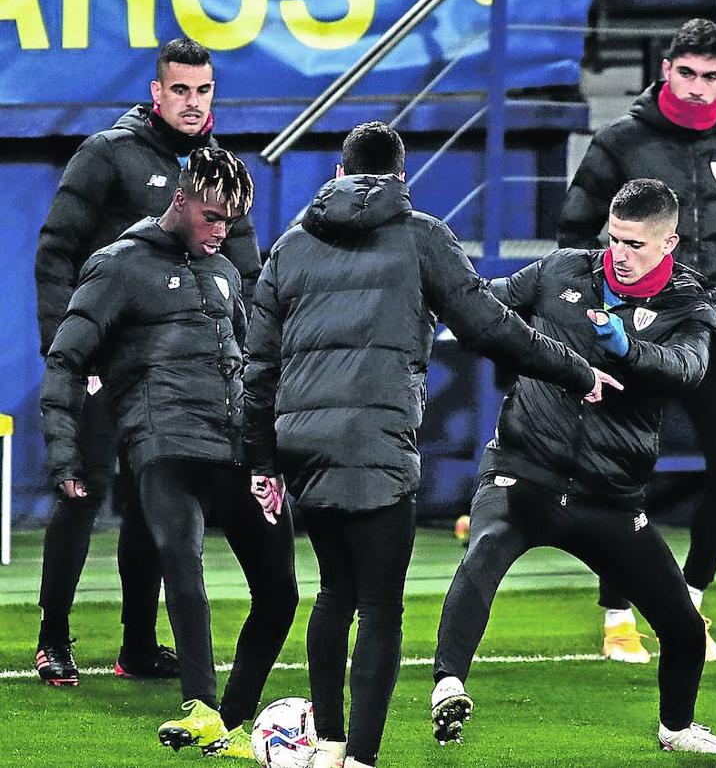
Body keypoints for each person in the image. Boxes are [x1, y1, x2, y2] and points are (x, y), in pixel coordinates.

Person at [244, 122, 614, 768]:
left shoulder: (290, 247)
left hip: (302, 444)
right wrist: (577, 370)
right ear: (400, 178)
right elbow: (491, 328)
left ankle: (327, 744)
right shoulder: (422, 237)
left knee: (334, 592)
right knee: (380, 605)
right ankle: (360, 757)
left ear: (339, 175)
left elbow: (259, 367)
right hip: (379, 440)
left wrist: (261, 460)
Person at [431, 178, 716, 755]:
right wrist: (431, 294)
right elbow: (485, 300)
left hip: (610, 493)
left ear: (668, 243)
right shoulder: (561, 271)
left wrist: (629, 349)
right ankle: (448, 684)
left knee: (680, 625)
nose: (619, 255)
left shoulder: (690, 299)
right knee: (483, 554)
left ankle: (676, 729)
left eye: (634, 245)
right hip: (525, 468)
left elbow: (688, 368)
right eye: (614, 238)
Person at [40, 147, 296, 757]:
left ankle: (229, 718)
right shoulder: (116, 267)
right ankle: (202, 705)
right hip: (164, 450)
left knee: (281, 592)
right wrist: (65, 455)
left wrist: (269, 453)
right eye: (212, 217)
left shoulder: (228, 272)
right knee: (184, 568)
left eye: (231, 221)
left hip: (234, 449)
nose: (222, 231)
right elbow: (66, 359)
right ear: (178, 200)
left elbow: (248, 367)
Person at [31, 36, 261, 686]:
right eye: (180, 90)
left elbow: (245, 274)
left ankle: (137, 645)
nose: (193, 103)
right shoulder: (107, 154)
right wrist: (71, 355)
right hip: (109, 367)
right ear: (156, 92)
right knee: (81, 494)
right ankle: (52, 638)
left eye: (204, 90)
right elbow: (54, 253)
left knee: (151, 501)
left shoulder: (218, 173)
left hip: (179, 379)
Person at [558, 17, 716, 664]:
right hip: (634, 331)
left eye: (712, 76)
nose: (700, 87)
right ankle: (618, 616)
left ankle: (691, 604)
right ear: (667, 71)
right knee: (624, 474)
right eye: (688, 73)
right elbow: (574, 228)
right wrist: (596, 307)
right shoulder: (622, 141)